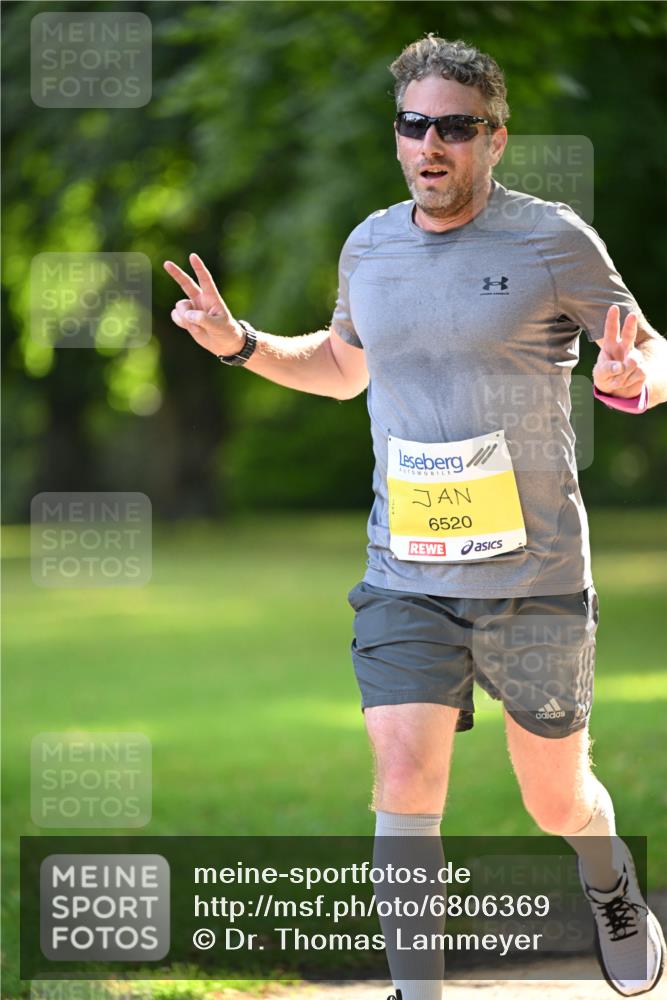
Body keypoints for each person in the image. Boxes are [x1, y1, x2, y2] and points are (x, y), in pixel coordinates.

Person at [164, 34, 666, 1000]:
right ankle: (417, 993)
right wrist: (241, 345)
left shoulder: (552, 239)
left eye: (454, 127)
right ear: (396, 137)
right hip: (407, 571)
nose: (430, 143)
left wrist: (625, 376)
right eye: (413, 124)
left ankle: (607, 881)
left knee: (555, 798)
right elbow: (346, 366)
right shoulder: (370, 244)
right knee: (403, 782)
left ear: (494, 138)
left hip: (535, 576)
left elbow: (642, 352)